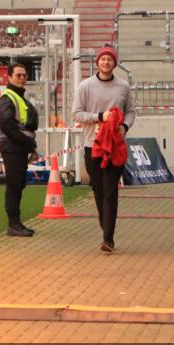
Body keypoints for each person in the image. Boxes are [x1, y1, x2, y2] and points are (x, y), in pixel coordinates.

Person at [72, 45, 136, 252]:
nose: (106, 62)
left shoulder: (123, 86)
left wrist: (124, 126)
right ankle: (105, 227)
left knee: (110, 192)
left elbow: (131, 112)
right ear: (97, 63)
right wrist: (100, 117)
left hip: (115, 147)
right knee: (99, 191)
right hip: (93, 146)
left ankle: (108, 238)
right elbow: (76, 114)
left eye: (110, 59)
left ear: (114, 63)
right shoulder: (86, 86)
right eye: (103, 59)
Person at [0, 61, 39, 237]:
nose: (22, 78)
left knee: (18, 184)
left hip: (18, 147)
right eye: (18, 75)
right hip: (13, 147)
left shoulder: (19, 97)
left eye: (24, 75)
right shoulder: (8, 97)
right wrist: (27, 143)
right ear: (9, 77)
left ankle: (16, 223)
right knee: (14, 185)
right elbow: (7, 124)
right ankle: (13, 225)